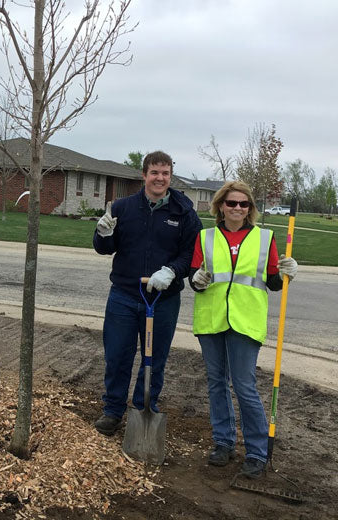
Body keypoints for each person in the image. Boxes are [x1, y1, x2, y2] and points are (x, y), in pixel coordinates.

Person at [189, 181, 298, 478]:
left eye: (243, 204)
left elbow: (274, 282)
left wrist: (288, 272)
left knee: (244, 386)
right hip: (211, 319)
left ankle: (256, 451)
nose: (237, 208)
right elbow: (195, 277)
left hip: (245, 322)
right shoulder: (205, 237)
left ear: (250, 208)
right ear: (221, 205)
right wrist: (196, 280)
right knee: (216, 383)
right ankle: (223, 443)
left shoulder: (265, 238)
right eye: (231, 203)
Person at [92, 150, 202, 436]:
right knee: (117, 356)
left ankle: (144, 408)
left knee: (154, 359)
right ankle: (113, 410)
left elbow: (192, 252)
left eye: (165, 173)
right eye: (154, 172)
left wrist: (171, 271)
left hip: (163, 299)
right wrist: (102, 233)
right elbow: (105, 248)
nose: (160, 178)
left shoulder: (184, 211)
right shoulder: (123, 208)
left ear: (170, 176)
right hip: (125, 295)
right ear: (144, 175)